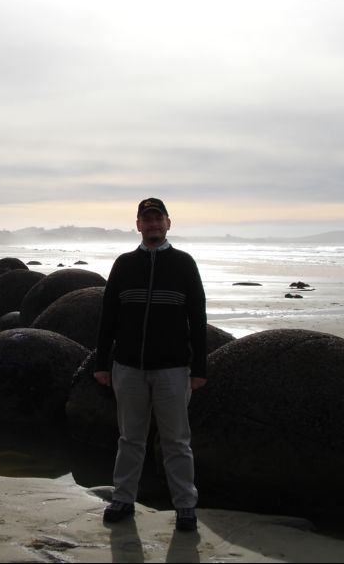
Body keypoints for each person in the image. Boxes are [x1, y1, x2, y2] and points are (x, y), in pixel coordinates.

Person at [94, 197, 207, 531]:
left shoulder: (184, 264)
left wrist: (199, 369)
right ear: (139, 225)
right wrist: (102, 363)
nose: (153, 225)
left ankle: (185, 506)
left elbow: (197, 318)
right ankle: (123, 498)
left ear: (168, 224)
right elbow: (108, 318)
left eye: (159, 219)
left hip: (173, 369)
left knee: (176, 441)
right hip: (128, 367)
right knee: (130, 438)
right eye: (147, 219)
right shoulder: (124, 264)